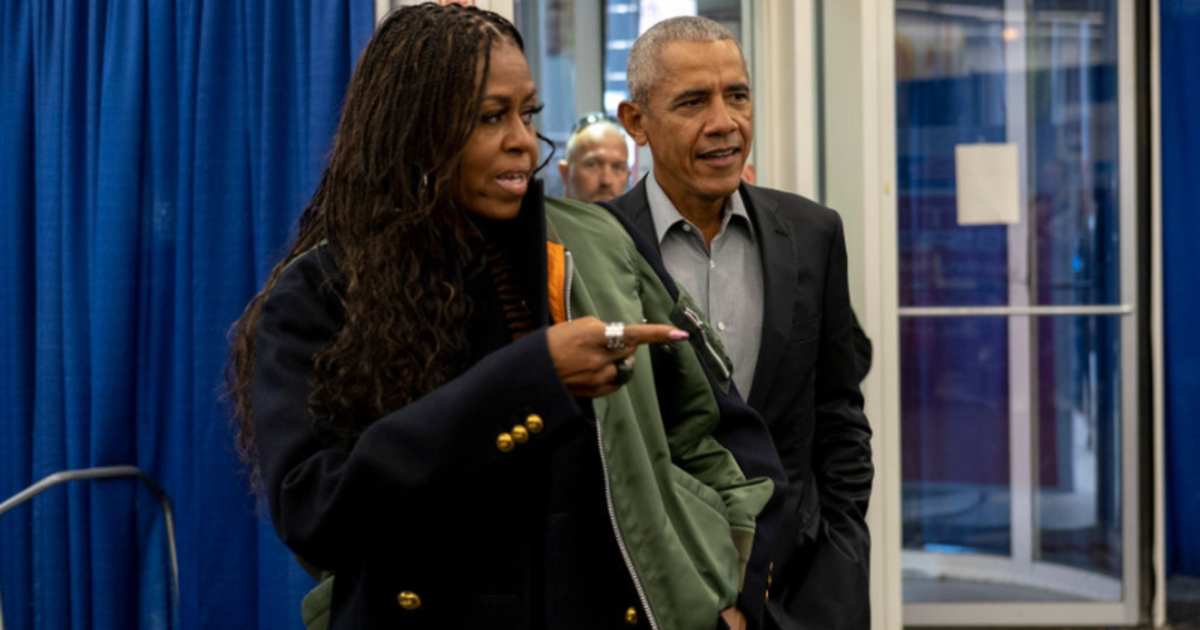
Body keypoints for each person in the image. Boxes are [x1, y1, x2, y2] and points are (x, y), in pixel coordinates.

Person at [225, 4, 785, 629]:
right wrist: (531, 380)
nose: (523, 139)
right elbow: (317, 513)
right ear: (415, 129)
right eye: (491, 117)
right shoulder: (323, 293)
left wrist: (731, 591)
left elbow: (719, 434)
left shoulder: (592, 246)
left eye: (529, 113)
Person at [607, 16, 875, 630]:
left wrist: (842, 552)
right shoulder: (597, 248)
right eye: (693, 101)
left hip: (801, 588)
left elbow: (839, 411)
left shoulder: (812, 234)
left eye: (738, 95)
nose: (725, 122)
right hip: (655, 594)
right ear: (636, 122)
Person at [558, 112, 632, 202]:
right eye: (592, 165)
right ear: (565, 172)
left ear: (628, 175)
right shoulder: (544, 215)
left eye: (617, 167)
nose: (606, 181)